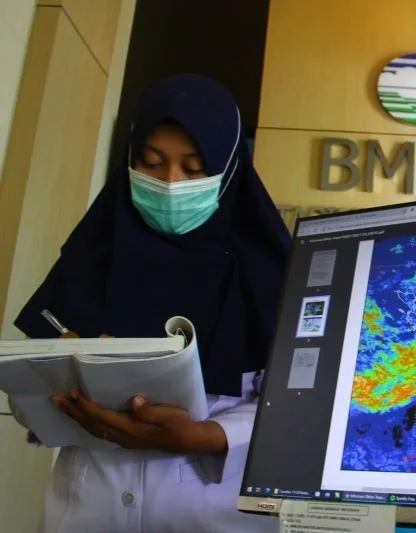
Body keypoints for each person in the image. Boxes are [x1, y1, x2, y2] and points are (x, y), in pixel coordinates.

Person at [11, 74, 289, 533]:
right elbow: (27, 402)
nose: (171, 183)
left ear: (229, 171)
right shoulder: (90, 257)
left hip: (216, 516)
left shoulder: (272, 275)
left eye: (194, 168)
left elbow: (298, 406)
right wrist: (65, 381)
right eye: (153, 163)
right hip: (87, 511)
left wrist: (208, 436)